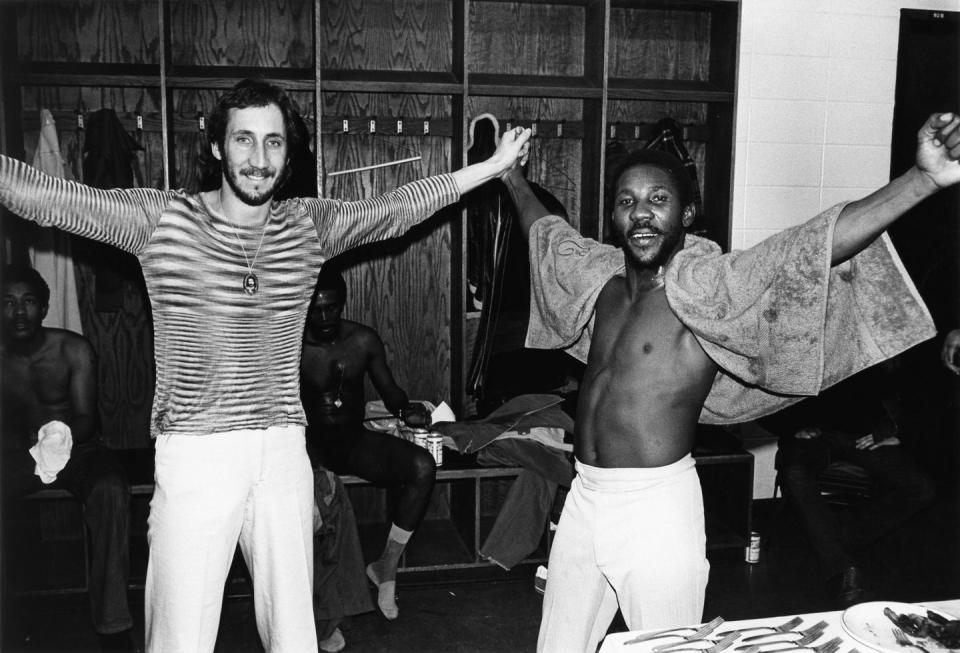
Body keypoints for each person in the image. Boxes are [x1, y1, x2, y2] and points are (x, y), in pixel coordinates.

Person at [0, 78, 531, 653]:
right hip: (197, 450)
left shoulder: (306, 225)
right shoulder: (162, 220)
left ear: (288, 152)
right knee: (180, 633)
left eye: (273, 143)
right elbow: (47, 197)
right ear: (216, 147)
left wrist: (493, 167)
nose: (259, 159)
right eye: (245, 141)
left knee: (293, 633)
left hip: (282, 448)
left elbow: (396, 210)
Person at [500, 112, 960, 652]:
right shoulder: (598, 279)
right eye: (626, 202)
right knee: (556, 647)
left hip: (655, 510)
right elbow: (546, 235)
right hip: (583, 497)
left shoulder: (708, 285)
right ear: (613, 216)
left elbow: (808, 248)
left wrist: (923, 179)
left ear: (686, 214)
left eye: (658, 199)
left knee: (670, 647)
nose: (641, 213)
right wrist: (510, 176)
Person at [1, 265, 136, 652]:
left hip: (79, 448)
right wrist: (22, 443)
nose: (20, 312)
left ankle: (112, 624)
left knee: (111, 489)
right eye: (8, 303)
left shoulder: (73, 349)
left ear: (44, 308)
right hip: (20, 453)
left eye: (28, 302)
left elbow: (85, 419)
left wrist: (51, 437)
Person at [301, 267, 435, 635]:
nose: (325, 317)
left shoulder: (363, 340)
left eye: (332, 308)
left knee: (422, 467)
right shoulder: (291, 342)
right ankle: (324, 615)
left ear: (343, 304)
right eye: (317, 308)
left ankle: (386, 567)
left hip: (352, 441)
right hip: (307, 448)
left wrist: (410, 410)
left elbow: (392, 394)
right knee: (318, 505)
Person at [761, 363, 935, 607]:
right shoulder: (796, 334)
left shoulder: (862, 336)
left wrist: (893, 430)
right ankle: (841, 568)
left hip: (861, 435)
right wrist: (791, 428)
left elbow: (907, 388)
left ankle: (833, 539)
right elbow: (762, 392)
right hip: (812, 436)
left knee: (920, 488)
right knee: (795, 472)